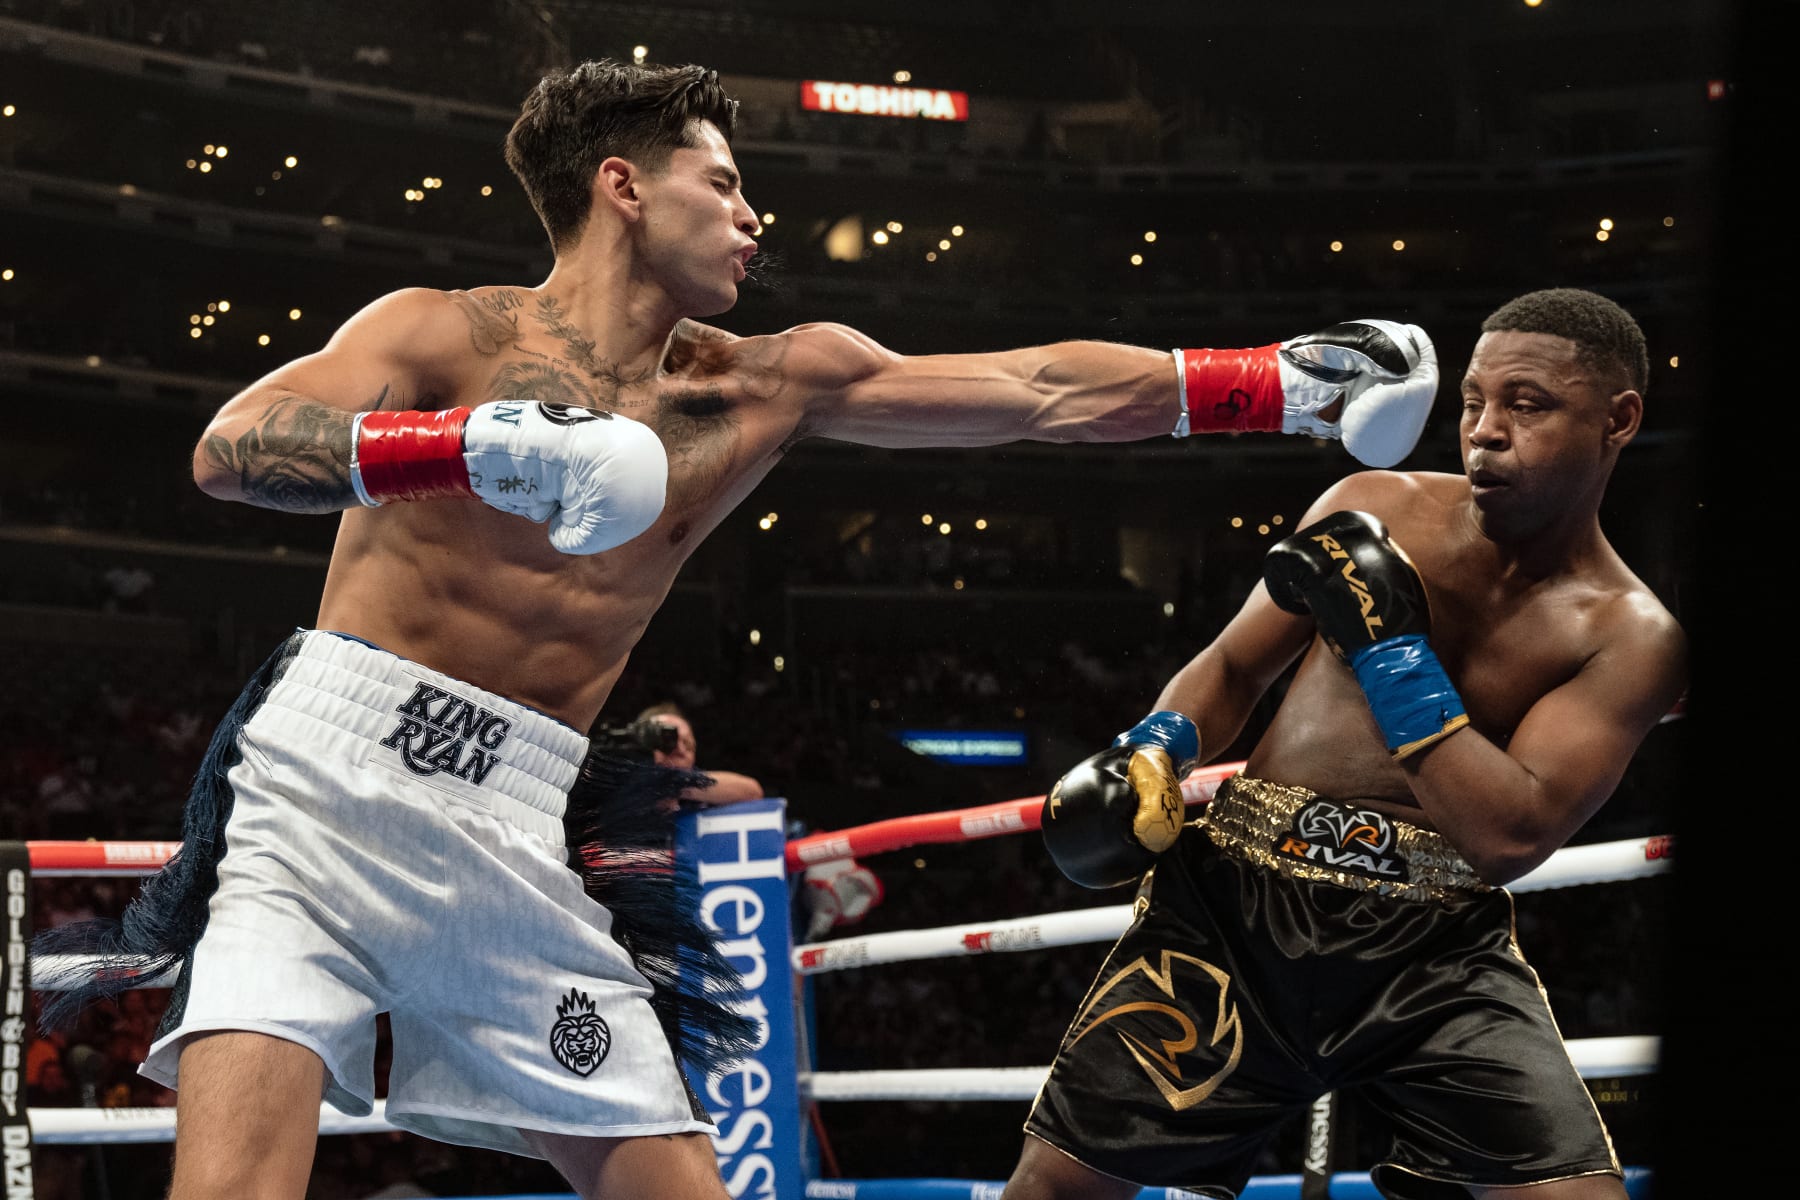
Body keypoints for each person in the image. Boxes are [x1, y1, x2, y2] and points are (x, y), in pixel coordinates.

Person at [33, 58, 1440, 1200]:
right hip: (320, 788)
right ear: (624, 186)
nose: (754, 215)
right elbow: (233, 447)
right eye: (726, 182)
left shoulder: (762, 386)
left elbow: (1031, 387)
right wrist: (462, 447)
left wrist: (1273, 384)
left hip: (515, 821)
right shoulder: (444, 334)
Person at [1008, 287, 1687, 1200]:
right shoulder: (1372, 505)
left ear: (1620, 419)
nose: (1485, 431)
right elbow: (1234, 670)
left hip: (1433, 957)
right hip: (1235, 920)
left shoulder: (1630, 635)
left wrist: (1390, 650)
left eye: (1528, 405)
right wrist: (1158, 748)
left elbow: (1509, 834)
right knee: (1055, 1189)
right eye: (1474, 401)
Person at [633, 701, 766, 804]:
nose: (681, 749)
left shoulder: (697, 801)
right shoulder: (623, 784)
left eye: (688, 744)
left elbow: (753, 792)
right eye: (669, 740)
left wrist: (676, 784)